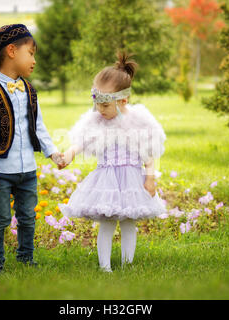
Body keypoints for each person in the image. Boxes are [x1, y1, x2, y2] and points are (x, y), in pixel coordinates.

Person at [0, 24, 63, 273]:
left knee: (28, 217)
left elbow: (38, 127)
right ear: (11, 51)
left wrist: (53, 153)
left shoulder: (29, 90)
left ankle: (26, 258)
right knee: (0, 219)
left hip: (27, 170)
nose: (34, 60)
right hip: (0, 170)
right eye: (30, 53)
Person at [58, 51, 167, 272]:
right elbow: (82, 142)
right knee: (107, 222)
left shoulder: (137, 122)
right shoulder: (97, 121)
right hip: (106, 180)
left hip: (131, 180)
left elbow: (148, 153)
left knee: (129, 223)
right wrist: (69, 154)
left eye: (105, 106)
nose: (100, 110)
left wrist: (150, 178)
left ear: (123, 100)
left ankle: (128, 264)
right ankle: (105, 267)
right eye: (98, 105)